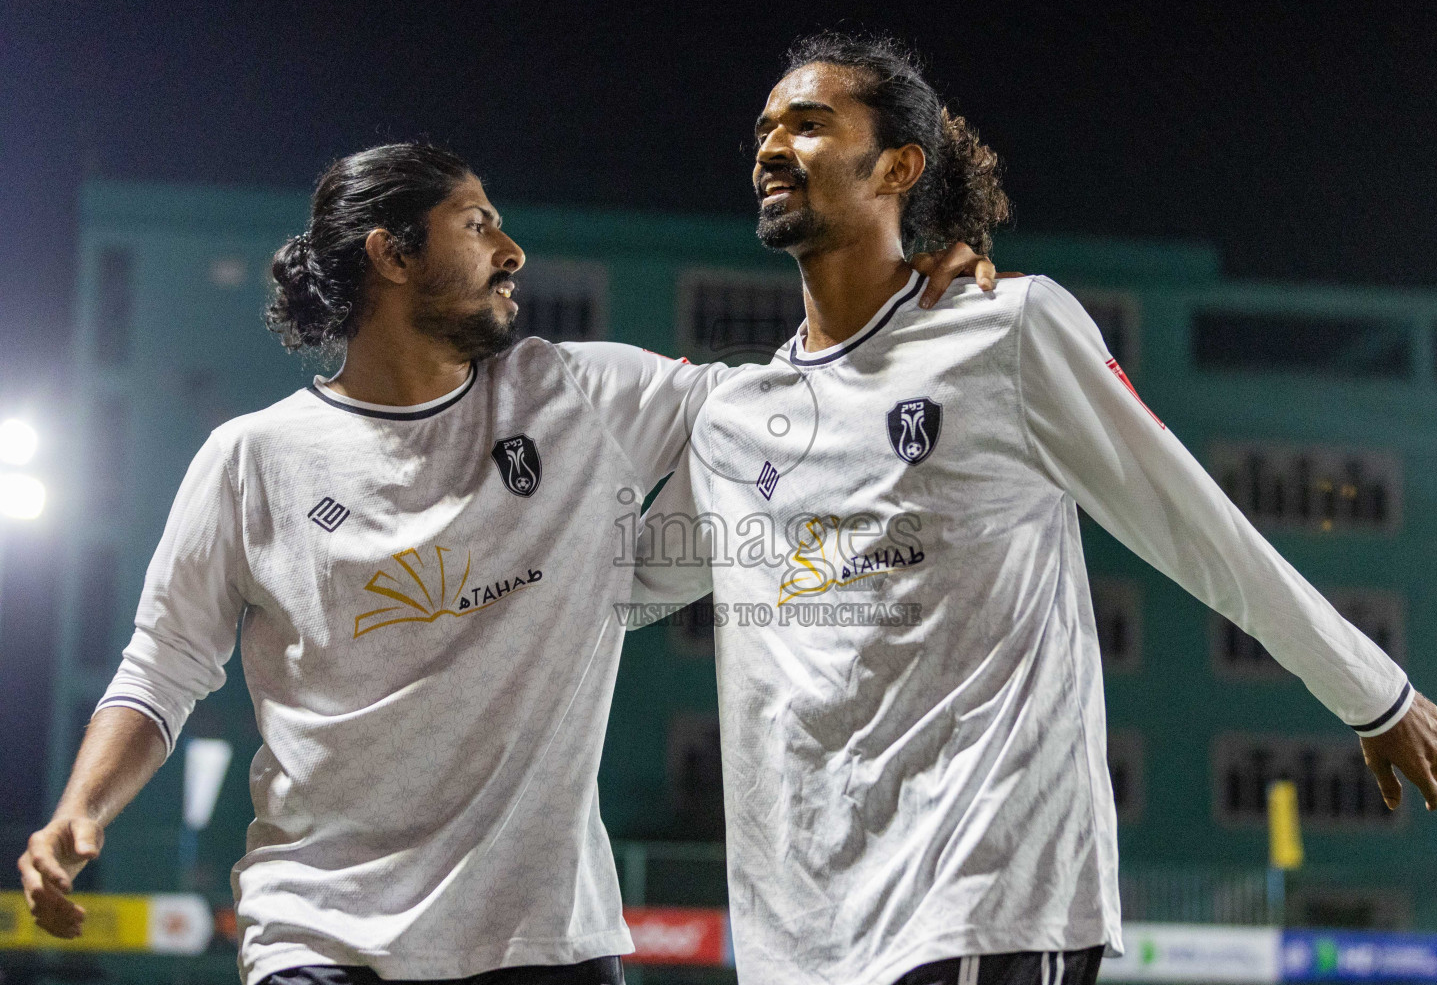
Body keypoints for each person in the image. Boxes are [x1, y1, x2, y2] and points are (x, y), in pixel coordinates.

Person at [16, 143, 991, 985]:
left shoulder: (572, 397)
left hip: (542, 935)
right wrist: (79, 813)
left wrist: (910, 307)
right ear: (390, 253)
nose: (511, 249)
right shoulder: (251, 458)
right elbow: (163, 664)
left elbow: (788, 414)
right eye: (477, 222)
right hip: (319, 932)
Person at [629, 33, 1437, 985]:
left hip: (985, 897)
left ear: (898, 165)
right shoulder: (740, 420)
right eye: (765, 128)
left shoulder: (1007, 328)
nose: (772, 145)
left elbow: (1193, 523)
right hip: (801, 938)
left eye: (808, 125)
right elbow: (610, 591)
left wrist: (1368, 688)